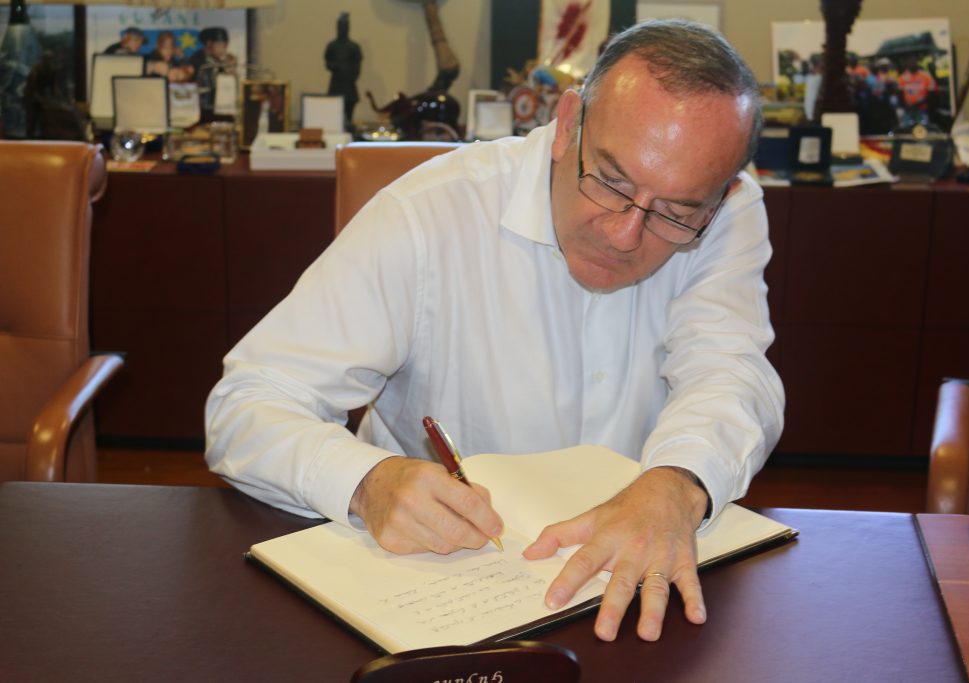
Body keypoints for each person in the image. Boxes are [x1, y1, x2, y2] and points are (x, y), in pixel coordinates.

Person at [205, 19, 783, 643]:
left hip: (634, 575)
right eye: (611, 181)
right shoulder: (430, 212)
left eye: (674, 213)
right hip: (444, 589)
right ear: (568, 124)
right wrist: (368, 483)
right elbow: (248, 405)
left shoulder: (728, 212)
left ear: (719, 195)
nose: (624, 234)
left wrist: (678, 484)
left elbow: (730, 372)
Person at [324, 11, 362, 130]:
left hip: (349, 85)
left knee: (348, 115)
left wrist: (351, 74)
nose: (342, 29)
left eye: (344, 27)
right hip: (336, 84)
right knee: (334, 115)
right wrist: (336, 66)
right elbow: (328, 62)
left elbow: (357, 65)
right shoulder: (332, 46)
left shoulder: (353, 47)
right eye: (340, 26)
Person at [188, 27, 236, 118]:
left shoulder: (221, 60)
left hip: (222, 107)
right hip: (202, 108)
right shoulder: (197, 59)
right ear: (209, 44)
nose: (223, 49)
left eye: (225, 45)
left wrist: (230, 68)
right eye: (219, 45)